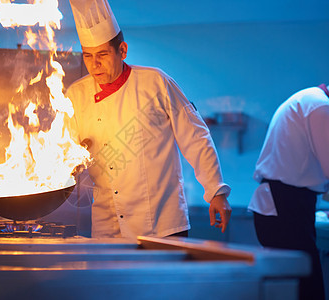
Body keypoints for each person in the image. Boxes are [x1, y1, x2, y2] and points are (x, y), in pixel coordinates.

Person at [65, 0, 232, 240]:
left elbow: (196, 137)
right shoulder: (76, 95)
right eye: (88, 56)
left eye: (102, 54)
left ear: (122, 51)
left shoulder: (155, 83)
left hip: (161, 224)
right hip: (106, 226)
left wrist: (216, 191)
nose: (94, 64)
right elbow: (65, 153)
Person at [248, 65, 329, 300]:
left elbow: (308, 170)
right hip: (285, 207)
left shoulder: (309, 99)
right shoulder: (321, 105)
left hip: (282, 206)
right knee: (306, 290)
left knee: (295, 287)